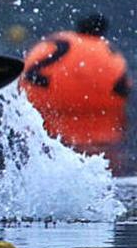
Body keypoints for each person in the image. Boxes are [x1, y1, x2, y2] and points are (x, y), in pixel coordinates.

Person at [21, 13, 130, 168]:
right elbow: (123, 89)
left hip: (45, 118)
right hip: (99, 127)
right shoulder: (108, 52)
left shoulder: (59, 41)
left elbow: (28, 73)